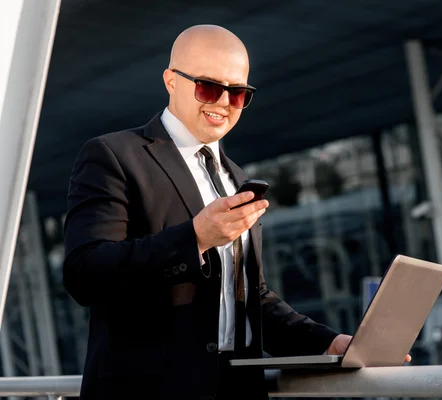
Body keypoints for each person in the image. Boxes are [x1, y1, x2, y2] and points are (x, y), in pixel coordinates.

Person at [63, 25, 408, 400]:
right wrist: (194, 239)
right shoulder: (113, 156)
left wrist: (328, 344)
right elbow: (85, 273)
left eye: (239, 93)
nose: (224, 102)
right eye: (208, 87)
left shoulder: (235, 177)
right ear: (171, 81)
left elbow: (247, 297)